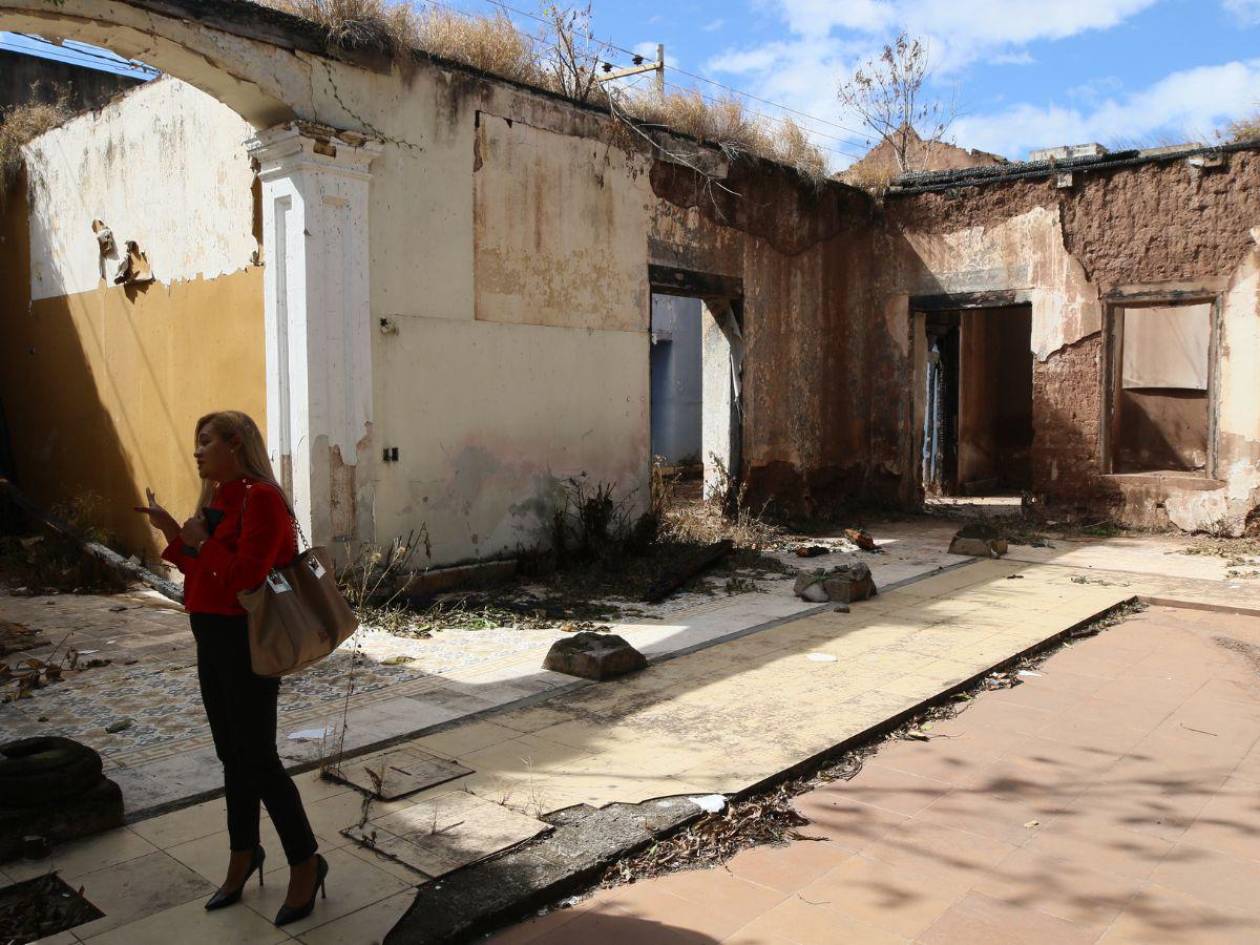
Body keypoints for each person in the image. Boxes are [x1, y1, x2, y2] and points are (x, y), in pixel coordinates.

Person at [135, 410, 328, 927]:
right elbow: (205, 571)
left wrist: (199, 541)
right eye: (196, 442)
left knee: (258, 756)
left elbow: (245, 575)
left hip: (248, 640)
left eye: (206, 441)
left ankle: (306, 860)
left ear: (236, 443)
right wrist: (176, 532)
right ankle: (244, 854)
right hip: (211, 636)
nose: (197, 451)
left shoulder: (261, 498)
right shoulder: (218, 499)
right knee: (231, 754)